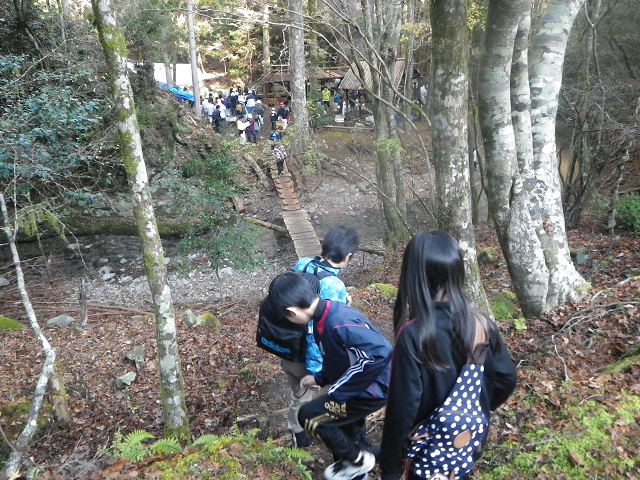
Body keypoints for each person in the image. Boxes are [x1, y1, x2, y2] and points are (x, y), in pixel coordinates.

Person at [379, 231, 517, 480]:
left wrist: (390, 467)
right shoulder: (482, 325)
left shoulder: (413, 334)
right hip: (464, 445)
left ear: (413, 276)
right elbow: (506, 379)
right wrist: (472, 411)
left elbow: (403, 408)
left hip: (424, 450)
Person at [268, 271, 392, 480]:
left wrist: (339, 391)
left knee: (311, 416)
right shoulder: (323, 317)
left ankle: (358, 461)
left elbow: (380, 353)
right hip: (358, 387)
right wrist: (319, 378)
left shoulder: (338, 320)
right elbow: (336, 359)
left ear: (293, 311)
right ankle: (359, 462)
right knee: (344, 428)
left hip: (372, 389)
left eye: (288, 318)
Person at [292, 225, 359, 305]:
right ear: (348, 256)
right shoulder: (335, 285)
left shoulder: (304, 262)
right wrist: (346, 303)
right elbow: (334, 312)